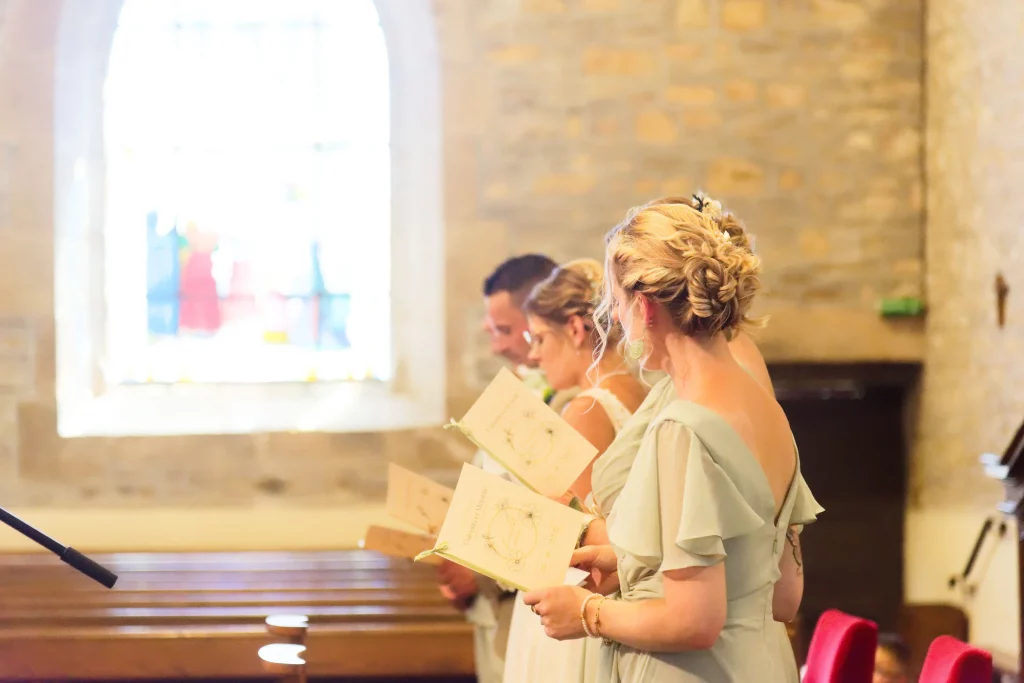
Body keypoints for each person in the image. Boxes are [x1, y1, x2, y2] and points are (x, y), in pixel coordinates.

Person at [523, 197, 823, 682]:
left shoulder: (682, 427)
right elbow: (784, 594)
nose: (616, 321)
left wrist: (584, 612)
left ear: (643, 307)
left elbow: (693, 622)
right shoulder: (769, 412)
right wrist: (633, 561)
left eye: (617, 305)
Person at [502, 259, 647, 683]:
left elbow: (575, 527)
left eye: (540, 337)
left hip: (583, 594)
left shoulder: (586, 408)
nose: (533, 354)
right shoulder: (645, 392)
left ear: (576, 329)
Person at [436, 254, 570, 683]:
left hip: (538, 613)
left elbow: (566, 520)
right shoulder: (515, 395)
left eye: (506, 330)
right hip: (496, 609)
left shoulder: (574, 406)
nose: (497, 346)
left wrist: (475, 567)